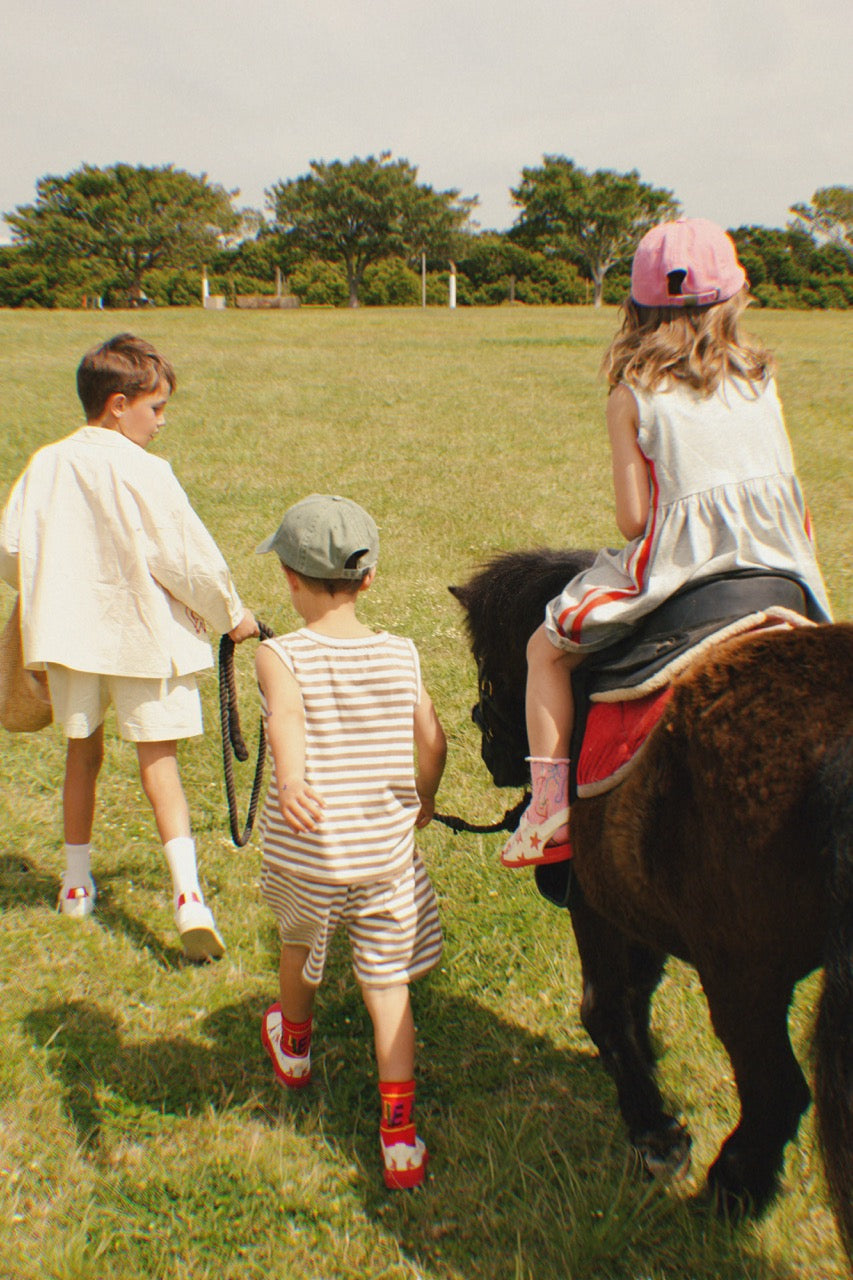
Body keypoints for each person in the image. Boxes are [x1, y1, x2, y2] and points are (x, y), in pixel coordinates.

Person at [501, 218, 833, 869]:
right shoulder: (760, 379)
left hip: (686, 572)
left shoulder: (632, 396)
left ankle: (546, 812)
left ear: (637, 305)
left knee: (544, 649)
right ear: (731, 298)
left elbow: (632, 521)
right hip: (781, 568)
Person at [0, 333, 258, 957]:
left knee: (80, 752)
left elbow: (13, 552)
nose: (162, 423)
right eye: (156, 408)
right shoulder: (146, 471)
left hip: (69, 638)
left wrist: (53, 594)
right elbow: (185, 559)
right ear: (118, 404)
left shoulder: (47, 463)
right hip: (144, 636)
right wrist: (232, 614)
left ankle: (75, 884)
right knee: (158, 762)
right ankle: (189, 895)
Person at [254, 494, 446, 1190]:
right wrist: (425, 796)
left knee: (299, 946)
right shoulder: (401, 654)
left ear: (289, 578)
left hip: (310, 850)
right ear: (369, 579)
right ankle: (399, 1136)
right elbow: (429, 736)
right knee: (386, 987)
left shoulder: (280, 654)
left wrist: (296, 780)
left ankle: (295, 1048)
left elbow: (285, 722)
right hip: (384, 856)